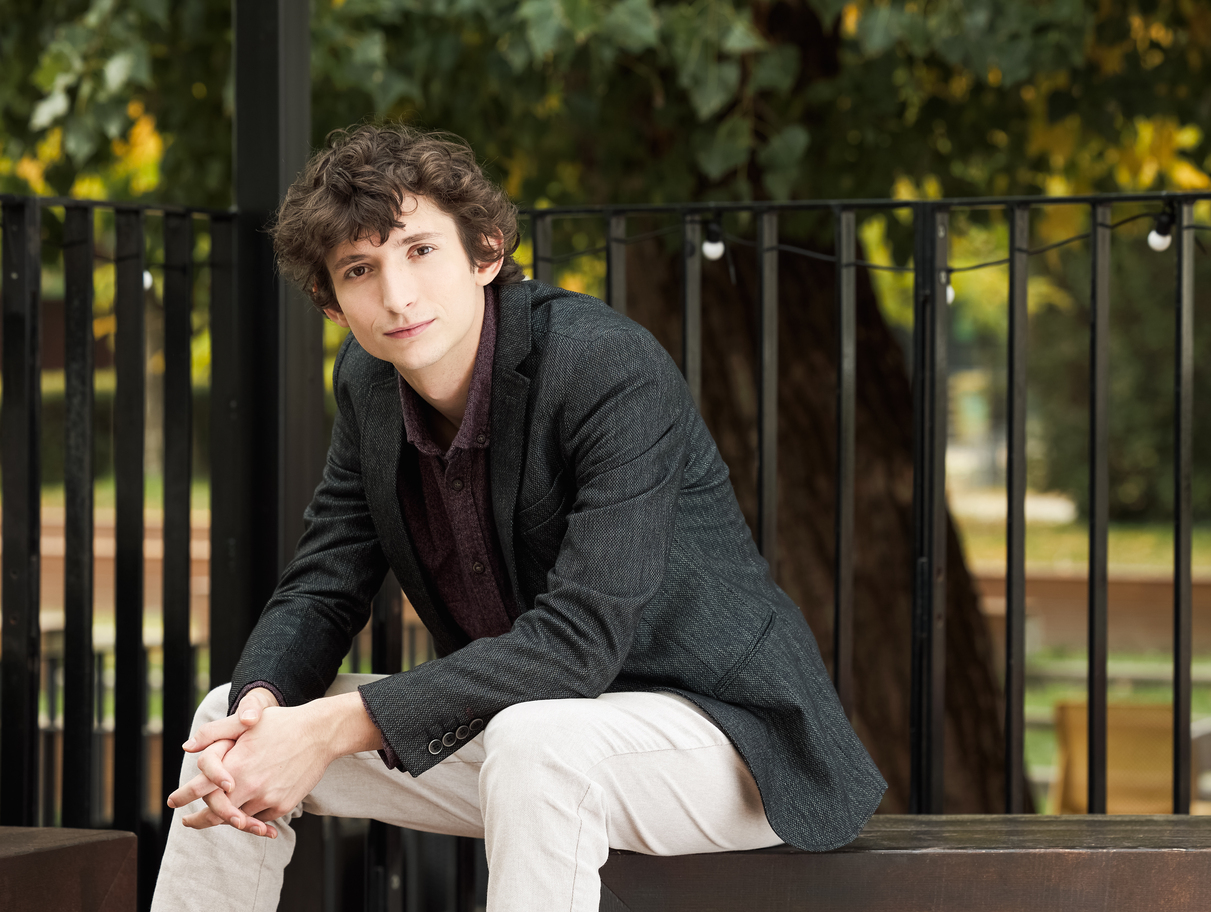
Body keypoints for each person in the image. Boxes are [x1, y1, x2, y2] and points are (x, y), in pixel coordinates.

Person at [151, 123, 885, 912]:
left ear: (487, 253)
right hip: (531, 738)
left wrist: (333, 728)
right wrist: (263, 709)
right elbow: (322, 586)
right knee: (227, 723)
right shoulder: (368, 384)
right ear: (332, 305)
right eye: (360, 270)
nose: (397, 296)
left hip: (729, 743)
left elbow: (579, 640)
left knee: (536, 740)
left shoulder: (605, 366)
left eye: (420, 251)